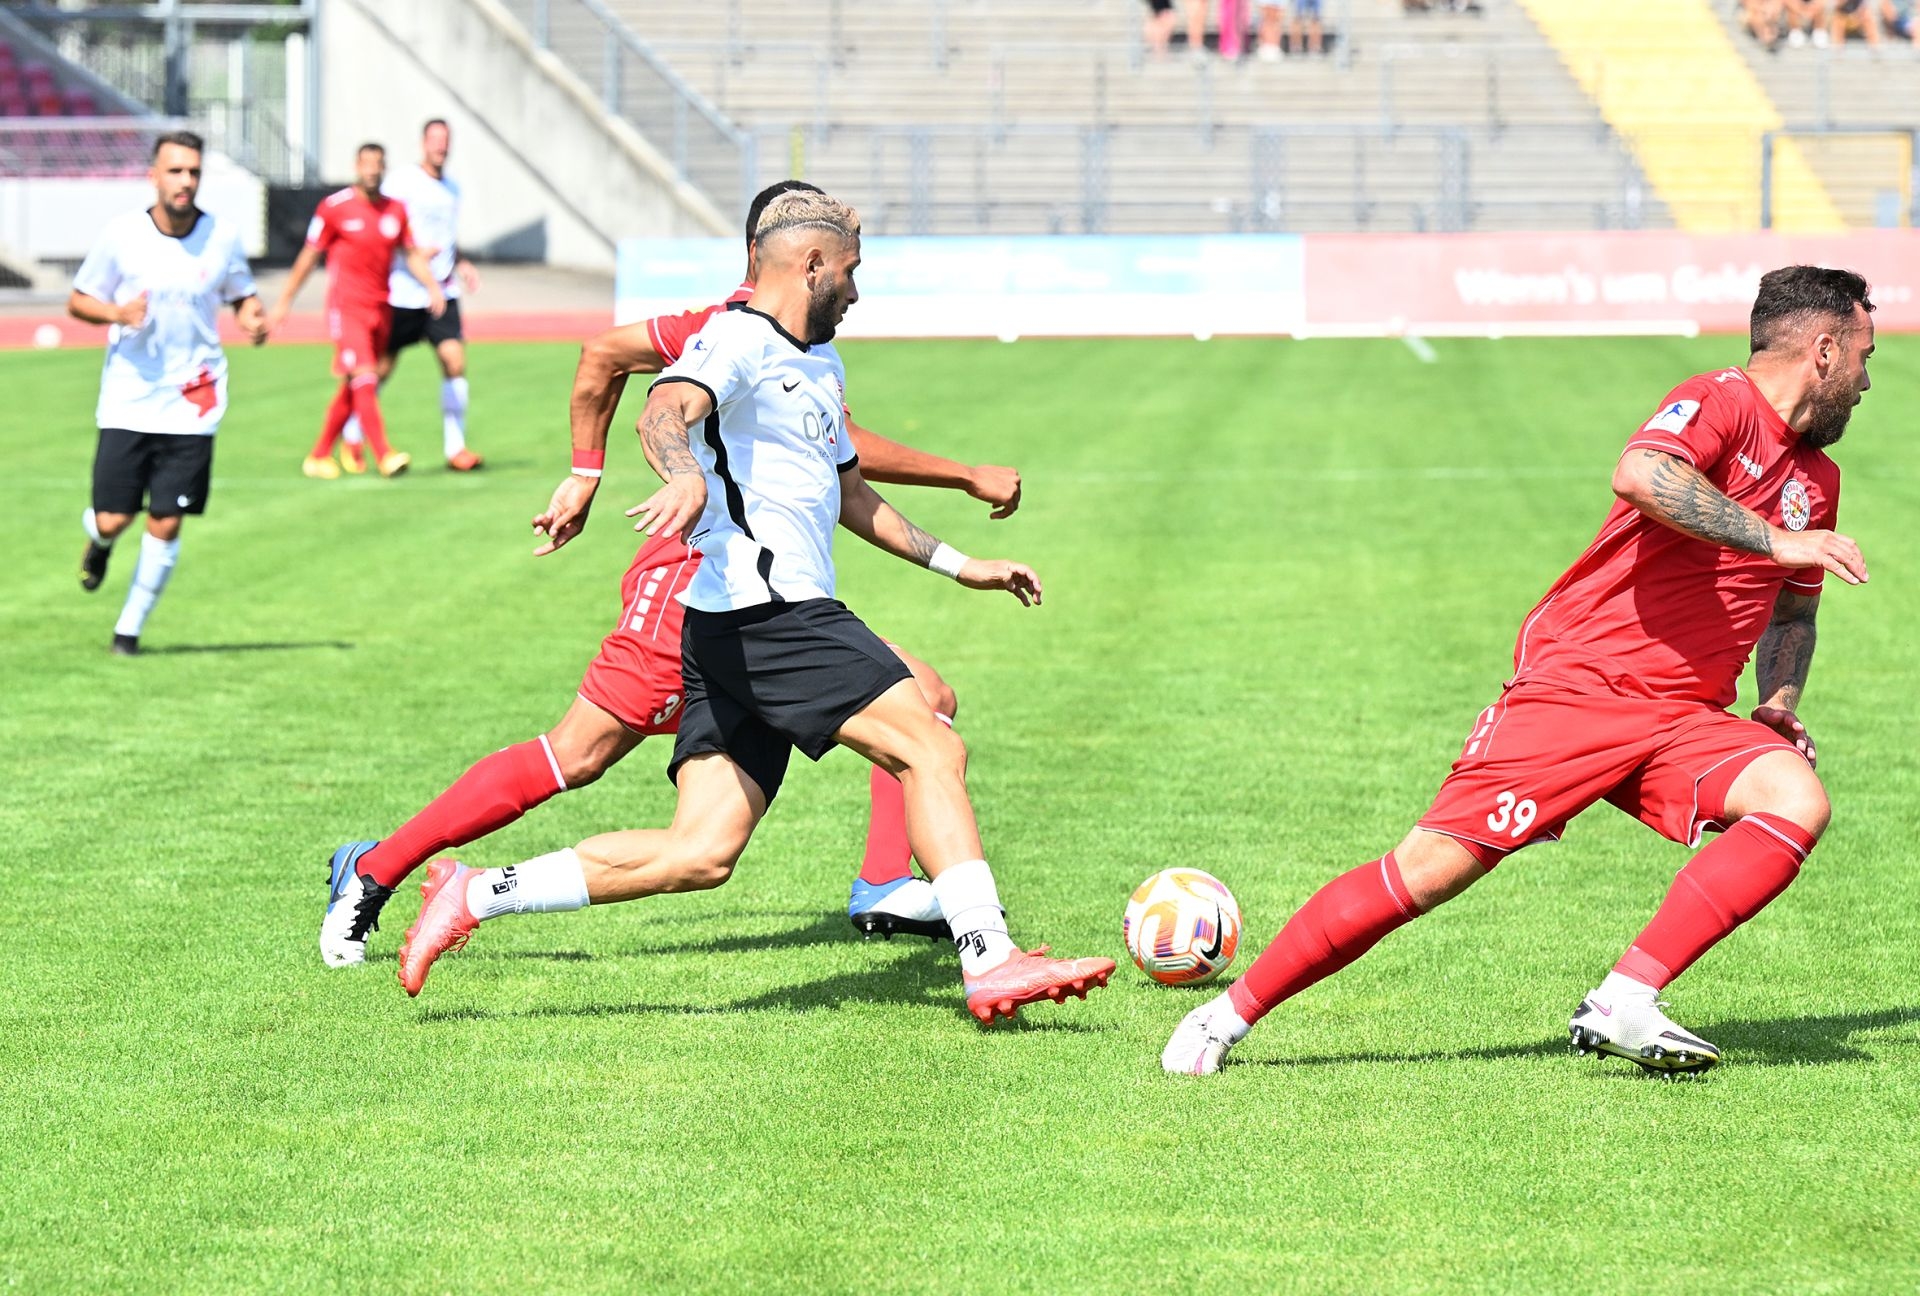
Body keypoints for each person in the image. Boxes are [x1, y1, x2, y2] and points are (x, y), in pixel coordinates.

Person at [391, 190, 1115, 1023]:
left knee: (700, 851)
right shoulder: (736, 339)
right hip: (775, 616)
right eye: (849, 272)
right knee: (930, 747)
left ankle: (475, 891)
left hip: (726, 628)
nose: (856, 291)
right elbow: (666, 406)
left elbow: (849, 494)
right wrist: (685, 472)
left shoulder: (817, 360)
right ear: (811, 266)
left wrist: (961, 566)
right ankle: (988, 957)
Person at [1164, 265, 1874, 1076]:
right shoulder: (1720, 399)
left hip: (1686, 716)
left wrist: (1777, 704)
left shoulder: (1820, 479)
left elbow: (1793, 611)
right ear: (1822, 350)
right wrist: (1775, 539)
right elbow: (1643, 473)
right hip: (1581, 687)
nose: (1866, 381)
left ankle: (1625, 999)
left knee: (1795, 799)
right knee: (1426, 875)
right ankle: (1223, 1017)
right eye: (1863, 356)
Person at [67, 130, 268, 655]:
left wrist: (253, 318)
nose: (185, 181)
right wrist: (116, 313)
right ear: (153, 175)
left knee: (167, 517)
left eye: (193, 172)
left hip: (193, 398)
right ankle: (100, 540)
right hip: (129, 396)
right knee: (114, 516)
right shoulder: (122, 235)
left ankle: (127, 631)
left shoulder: (221, 236)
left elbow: (241, 293)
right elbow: (79, 300)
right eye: (175, 171)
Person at [266, 143, 445, 480]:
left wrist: (433, 287)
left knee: (356, 384)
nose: (372, 171)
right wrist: (285, 300)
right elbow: (308, 256)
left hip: (381, 308)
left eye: (378, 165)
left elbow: (411, 253)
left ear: (384, 168)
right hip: (346, 307)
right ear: (356, 166)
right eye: (366, 164)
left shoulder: (396, 210)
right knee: (365, 376)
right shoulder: (334, 208)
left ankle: (319, 455)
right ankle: (384, 453)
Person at [339, 118, 483, 474]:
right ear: (423, 143)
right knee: (379, 369)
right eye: (435, 140)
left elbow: (447, 237)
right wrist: (411, 250)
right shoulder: (402, 182)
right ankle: (352, 435)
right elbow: (385, 223)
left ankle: (456, 448)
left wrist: (462, 262)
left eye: (446, 140)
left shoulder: (453, 188)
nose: (441, 147)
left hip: (443, 293)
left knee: (455, 361)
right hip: (404, 293)